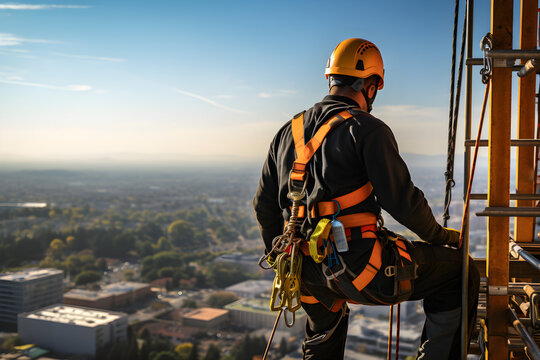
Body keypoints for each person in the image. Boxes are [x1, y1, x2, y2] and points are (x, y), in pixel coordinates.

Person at [253, 38, 480, 359]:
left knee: (325, 325)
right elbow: (403, 201)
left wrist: (282, 259)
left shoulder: (287, 132)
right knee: (460, 273)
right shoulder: (367, 128)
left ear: (330, 79)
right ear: (371, 86)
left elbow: (263, 206)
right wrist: (442, 237)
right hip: (361, 268)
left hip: (306, 271)